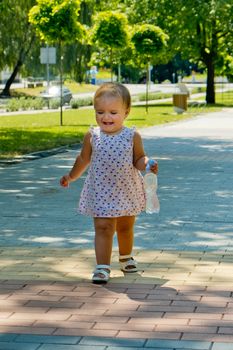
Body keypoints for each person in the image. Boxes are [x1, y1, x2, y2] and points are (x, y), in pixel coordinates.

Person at [60, 82, 158, 284]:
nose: (106, 117)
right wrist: (71, 176)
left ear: (126, 112)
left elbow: (138, 159)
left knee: (125, 227)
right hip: (101, 191)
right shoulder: (92, 136)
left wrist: (147, 164)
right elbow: (83, 160)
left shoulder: (132, 136)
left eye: (113, 112)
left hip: (127, 189)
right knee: (103, 227)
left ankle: (125, 256)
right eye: (100, 112)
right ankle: (102, 266)